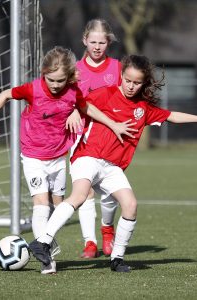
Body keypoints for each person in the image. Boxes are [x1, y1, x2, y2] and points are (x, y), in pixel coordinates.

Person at [29, 54, 197, 273]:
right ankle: (42, 242)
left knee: (130, 205)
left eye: (136, 83)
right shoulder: (105, 94)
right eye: (128, 80)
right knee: (79, 196)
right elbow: (80, 103)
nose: (131, 86)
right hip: (88, 156)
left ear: (143, 83)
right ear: (121, 76)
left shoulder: (143, 108)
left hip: (112, 167)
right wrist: (73, 112)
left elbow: (171, 115)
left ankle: (117, 259)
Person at [0, 46, 136, 275]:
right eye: (50, 79)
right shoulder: (32, 89)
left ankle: (46, 243)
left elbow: (86, 107)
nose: (55, 85)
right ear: (43, 73)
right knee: (41, 204)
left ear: (70, 77)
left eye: (60, 80)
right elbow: (6, 95)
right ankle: (46, 258)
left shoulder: (73, 91)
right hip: (33, 156)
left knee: (58, 206)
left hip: (58, 157)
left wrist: (111, 124)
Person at [73, 19, 122, 258]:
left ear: (108, 42)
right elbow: (67, 99)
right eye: (93, 41)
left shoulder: (118, 69)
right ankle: (90, 243)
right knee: (85, 191)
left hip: (110, 136)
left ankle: (107, 230)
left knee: (110, 190)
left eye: (102, 42)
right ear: (84, 40)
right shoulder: (74, 70)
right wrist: (72, 110)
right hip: (79, 136)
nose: (97, 46)